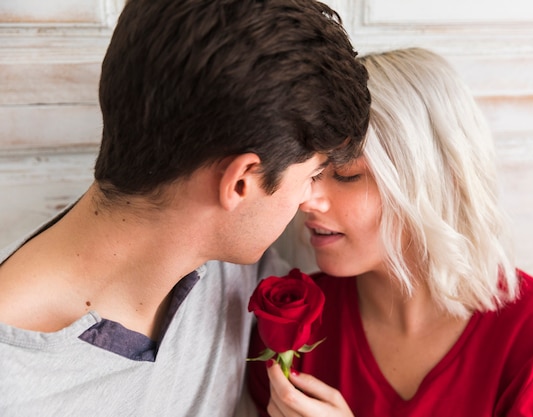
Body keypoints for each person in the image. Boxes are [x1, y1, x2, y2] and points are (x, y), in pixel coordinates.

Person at [0, 0, 370, 415]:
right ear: (241, 182)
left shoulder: (233, 266)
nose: (309, 200)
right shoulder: (15, 388)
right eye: (312, 176)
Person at [247, 47, 533, 416]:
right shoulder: (288, 324)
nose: (307, 200)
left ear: (435, 179)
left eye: (346, 175)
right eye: (310, 174)